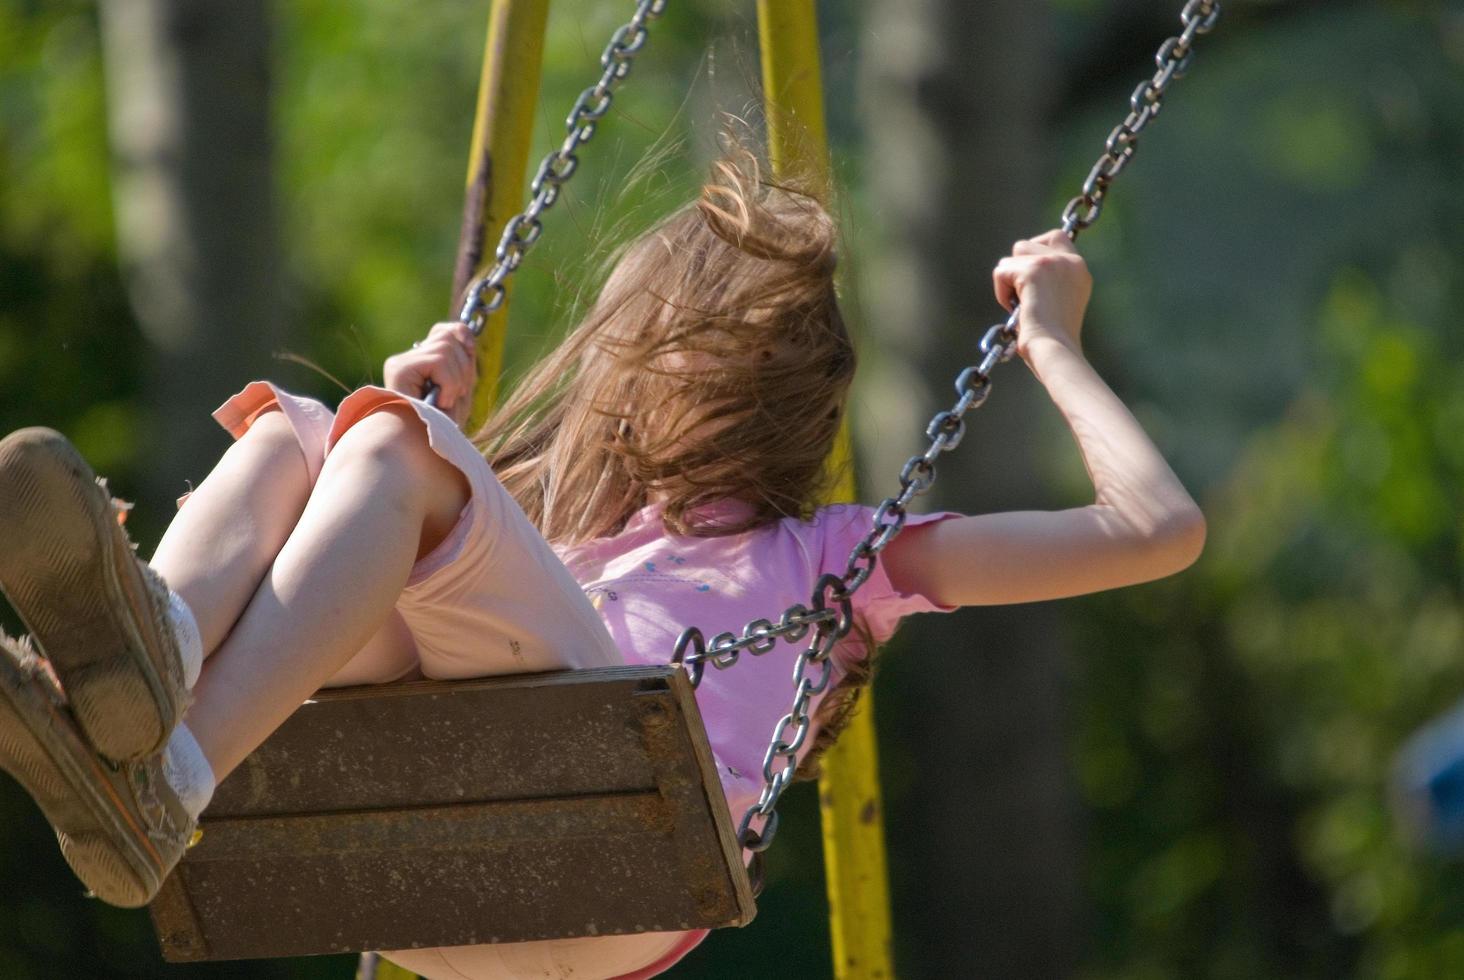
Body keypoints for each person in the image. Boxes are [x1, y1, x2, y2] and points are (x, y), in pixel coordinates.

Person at [0, 152, 1205, 980]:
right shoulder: (563, 532)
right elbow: (361, 543)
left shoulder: (843, 562)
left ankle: (168, 760)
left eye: (662, 338)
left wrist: (1049, 340)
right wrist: (406, 409)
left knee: (375, 449)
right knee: (296, 434)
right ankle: (143, 680)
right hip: (448, 865)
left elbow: (1157, 527)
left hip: (612, 873)